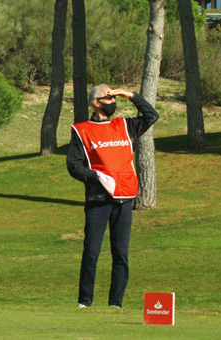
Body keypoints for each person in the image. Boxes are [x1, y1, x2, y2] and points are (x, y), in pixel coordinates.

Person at [66, 84, 159, 309]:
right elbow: (73, 166)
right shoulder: (82, 130)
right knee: (91, 252)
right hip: (98, 200)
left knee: (121, 253)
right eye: (108, 97)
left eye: (113, 97)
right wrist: (97, 177)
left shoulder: (125, 125)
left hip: (125, 199)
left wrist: (131, 95)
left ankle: (115, 303)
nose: (113, 101)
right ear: (96, 102)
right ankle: (84, 301)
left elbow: (151, 115)